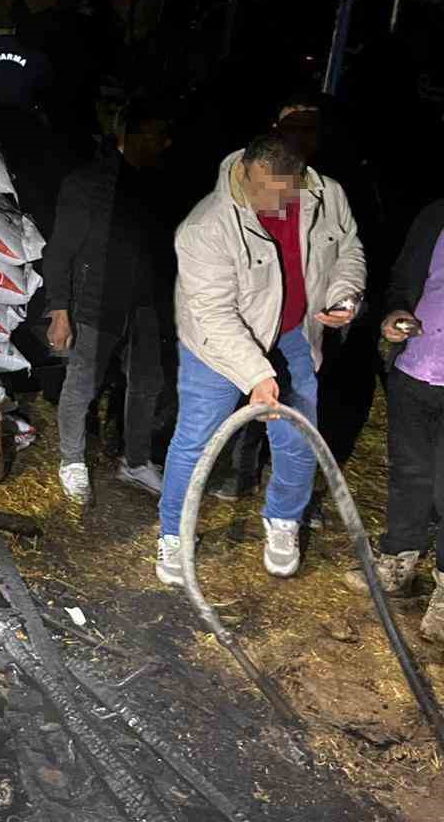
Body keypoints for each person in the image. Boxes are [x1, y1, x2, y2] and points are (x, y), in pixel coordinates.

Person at [154, 132, 365, 585]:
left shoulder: (327, 196)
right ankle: (174, 532)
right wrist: (257, 375)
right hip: (216, 344)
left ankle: (284, 519)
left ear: (300, 179)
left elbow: (348, 249)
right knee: (197, 439)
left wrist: (345, 294)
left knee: (297, 434)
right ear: (247, 168)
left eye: (275, 192)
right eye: (254, 185)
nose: (258, 198)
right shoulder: (205, 226)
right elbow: (214, 313)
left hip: (292, 332)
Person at [43, 98, 175, 504]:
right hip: (97, 300)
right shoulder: (88, 184)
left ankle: (135, 461)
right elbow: (61, 249)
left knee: (147, 384)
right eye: (154, 136)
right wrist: (60, 310)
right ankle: (72, 461)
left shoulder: (160, 185)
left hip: (148, 305)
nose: (163, 144)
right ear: (127, 136)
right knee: (83, 383)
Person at [341, 199, 444, 642]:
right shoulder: (434, 214)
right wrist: (395, 315)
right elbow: (404, 280)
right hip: (416, 368)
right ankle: (399, 558)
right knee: (409, 472)